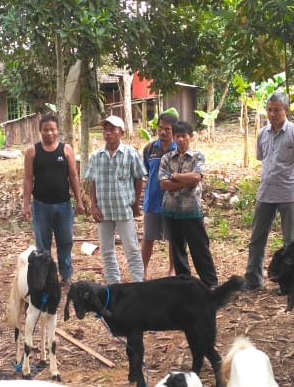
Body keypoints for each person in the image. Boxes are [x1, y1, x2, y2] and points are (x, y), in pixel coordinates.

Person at [244, 91, 294, 291]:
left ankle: (290, 284)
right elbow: (263, 159)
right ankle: (252, 280)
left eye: (277, 110)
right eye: (269, 110)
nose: (272, 114)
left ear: (286, 110)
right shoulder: (262, 134)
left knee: (291, 242)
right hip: (265, 192)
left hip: (289, 194)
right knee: (257, 238)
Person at [21, 112, 84, 285]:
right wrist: (26, 205)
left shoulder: (66, 149)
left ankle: (66, 274)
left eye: (52, 129)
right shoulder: (32, 151)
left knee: (65, 241)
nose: (49, 133)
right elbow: (27, 179)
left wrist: (79, 200)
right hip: (41, 206)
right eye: (45, 130)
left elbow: (73, 176)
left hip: (63, 205)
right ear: (40, 131)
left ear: (58, 130)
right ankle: (47, 277)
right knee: (43, 245)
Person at [85, 115, 147, 284]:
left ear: (121, 132)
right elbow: (92, 182)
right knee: (106, 250)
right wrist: (93, 206)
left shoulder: (130, 154)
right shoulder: (96, 156)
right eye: (106, 129)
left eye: (112, 129)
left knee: (132, 249)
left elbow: (138, 178)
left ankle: (139, 284)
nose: (108, 133)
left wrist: (135, 204)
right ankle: (113, 285)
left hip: (123, 208)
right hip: (103, 211)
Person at [159, 120, 218, 288]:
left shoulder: (198, 156)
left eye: (183, 136)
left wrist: (175, 177)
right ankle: (185, 284)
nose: (180, 139)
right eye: (177, 136)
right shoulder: (166, 158)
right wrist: (187, 181)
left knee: (199, 247)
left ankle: (210, 284)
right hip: (170, 210)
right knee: (177, 249)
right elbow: (163, 184)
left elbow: (196, 178)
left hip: (191, 209)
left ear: (190, 137)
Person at [141, 111, 177, 278]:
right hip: (152, 201)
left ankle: (172, 269)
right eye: (161, 128)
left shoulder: (178, 148)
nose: (163, 132)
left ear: (173, 131)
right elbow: (147, 172)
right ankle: (144, 269)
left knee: (173, 238)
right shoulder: (149, 149)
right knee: (148, 237)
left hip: (173, 202)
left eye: (167, 129)